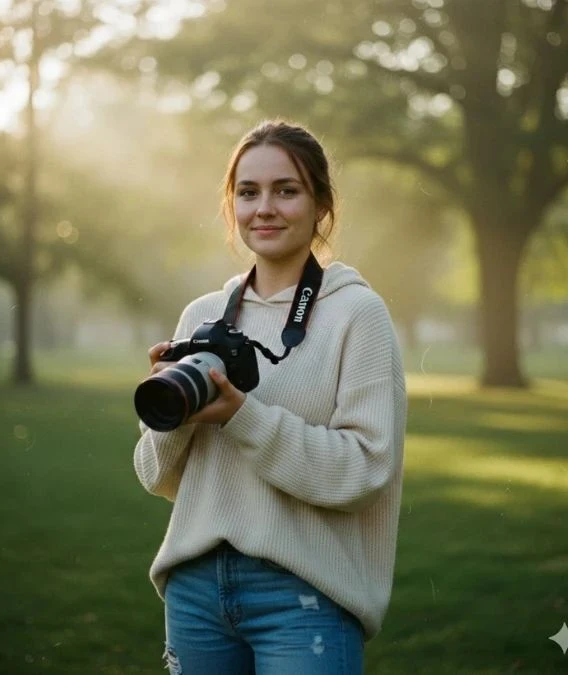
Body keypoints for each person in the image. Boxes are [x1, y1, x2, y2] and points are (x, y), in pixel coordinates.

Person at [133, 119, 407, 675]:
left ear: (320, 204)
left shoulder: (358, 315)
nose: (265, 208)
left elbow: (363, 472)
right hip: (195, 590)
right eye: (248, 192)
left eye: (287, 190)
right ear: (231, 203)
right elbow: (155, 476)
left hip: (305, 592)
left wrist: (242, 416)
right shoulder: (203, 316)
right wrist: (173, 413)